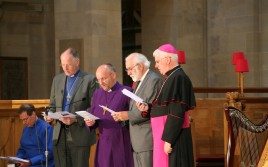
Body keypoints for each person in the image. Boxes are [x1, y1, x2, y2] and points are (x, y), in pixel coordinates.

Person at [136, 44, 196, 167]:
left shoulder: (178, 77)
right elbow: (166, 107)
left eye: (157, 61)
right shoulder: (171, 77)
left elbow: (177, 110)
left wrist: (169, 139)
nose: (156, 65)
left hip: (174, 138)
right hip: (164, 135)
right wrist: (148, 107)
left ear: (167, 59)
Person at [46, 48, 98, 167]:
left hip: (80, 135)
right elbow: (52, 105)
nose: (65, 68)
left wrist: (76, 118)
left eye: (68, 64)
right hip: (59, 135)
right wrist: (49, 115)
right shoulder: (57, 79)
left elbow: (94, 108)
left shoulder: (89, 80)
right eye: (63, 64)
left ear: (77, 62)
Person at [112, 53, 163, 167]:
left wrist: (127, 115)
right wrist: (122, 116)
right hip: (138, 141)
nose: (128, 73)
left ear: (140, 66)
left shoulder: (153, 80)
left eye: (130, 69)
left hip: (147, 139)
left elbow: (149, 110)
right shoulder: (139, 82)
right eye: (127, 70)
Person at [84, 63, 134, 167]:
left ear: (113, 75)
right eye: (99, 79)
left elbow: (135, 116)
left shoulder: (127, 92)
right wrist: (90, 122)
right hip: (103, 142)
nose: (101, 82)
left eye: (104, 78)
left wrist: (124, 117)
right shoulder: (97, 94)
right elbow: (93, 116)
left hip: (121, 142)